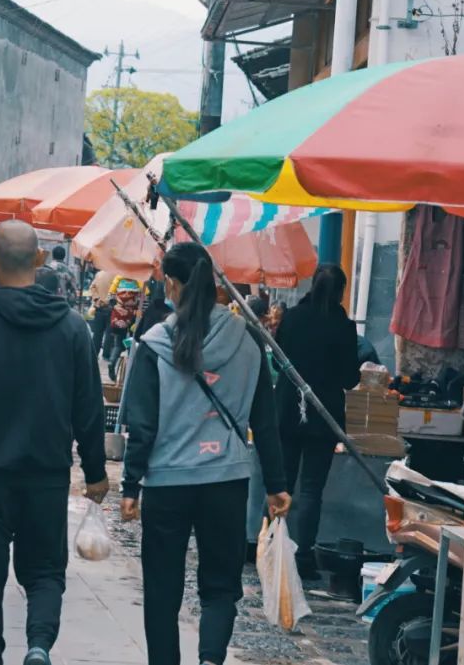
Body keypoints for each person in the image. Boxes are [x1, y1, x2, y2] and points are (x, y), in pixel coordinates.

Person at [119, 243, 291, 665]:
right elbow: (264, 421)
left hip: (167, 483)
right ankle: (211, 658)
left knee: (162, 586)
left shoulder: (155, 343)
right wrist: (277, 485)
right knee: (220, 586)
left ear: (173, 284)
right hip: (226, 482)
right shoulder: (249, 340)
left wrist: (130, 485)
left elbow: (142, 425)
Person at [0, 220, 108, 665]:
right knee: (45, 573)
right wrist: (95, 472)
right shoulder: (74, 329)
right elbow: (89, 409)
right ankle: (38, 646)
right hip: (47, 476)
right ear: (39, 260)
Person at [274, 264, 359, 579]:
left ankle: (273, 546)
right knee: (311, 489)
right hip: (323, 417)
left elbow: (276, 360)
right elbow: (349, 379)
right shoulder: (343, 327)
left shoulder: (293, 317)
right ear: (340, 292)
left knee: (280, 483)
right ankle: (303, 555)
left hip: (287, 411)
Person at [108, 277, 143, 382]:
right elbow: (143, 301)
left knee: (118, 344)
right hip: (133, 316)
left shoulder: (118, 280)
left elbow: (110, 299)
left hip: (119, 316)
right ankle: (129, 370)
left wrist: (117, 305)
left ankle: (112, 362)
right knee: (132, 343)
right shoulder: (139, 281)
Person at [88, 269, 116, 358]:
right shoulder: (117, 275)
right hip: (112, 308)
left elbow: (92, 288)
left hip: (99, 307)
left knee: (97, 333)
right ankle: (106, 354)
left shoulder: (99, 274)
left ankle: (95, 353)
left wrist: (97, 299)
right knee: (109, 333)